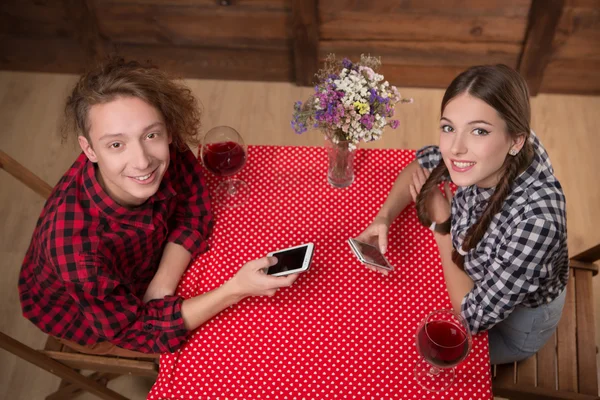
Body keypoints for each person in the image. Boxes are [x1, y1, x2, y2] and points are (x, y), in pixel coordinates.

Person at [18, 58, 298, 356]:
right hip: (96, 319)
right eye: (116, 144)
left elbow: (194, 206)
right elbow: (141, 332)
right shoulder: (74, 250)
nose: (142, 161)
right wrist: (236, 289)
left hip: (152, 269)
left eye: (151, 135)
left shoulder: (164, 147)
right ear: (89, 150)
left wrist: (162, 282)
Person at [357, 64, 568, 365]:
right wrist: (384, 217)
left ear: (516, 140)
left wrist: (442, 227)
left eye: (479, 131)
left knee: (403, 356)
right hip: (475, 273)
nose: (455, 148)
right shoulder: (499, 147)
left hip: (515, 326)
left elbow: (471, 316)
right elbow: (423, 164)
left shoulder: (537, 223)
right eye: (448, 127)